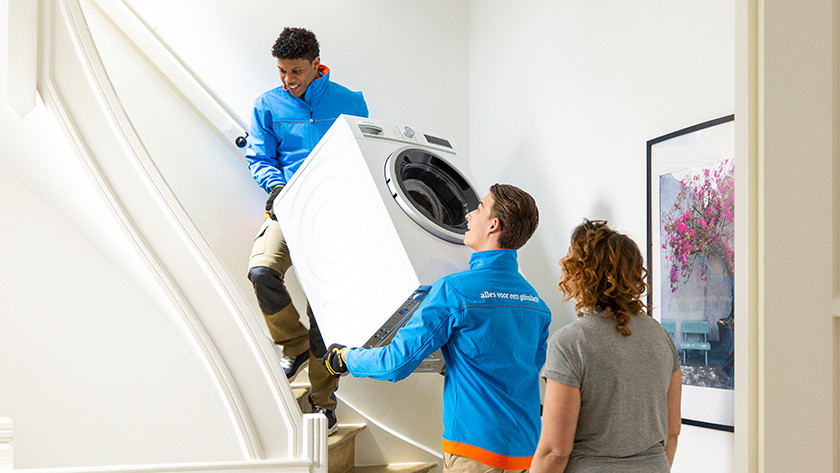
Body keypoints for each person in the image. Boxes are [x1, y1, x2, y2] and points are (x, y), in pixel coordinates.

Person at [322, 184, 552, 473]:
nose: (469, 215)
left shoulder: (454, 291)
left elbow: (395, 364)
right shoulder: (536, 303)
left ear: (494, 225)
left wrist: (345, 359)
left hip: (476, 454)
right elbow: (520, 368)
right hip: (526, 453)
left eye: (479, 209)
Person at [245, 26, 368, 435]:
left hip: (334, 216)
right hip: (287, 209)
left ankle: (322, 403)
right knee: (262, 271)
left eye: (296, 70)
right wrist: (278, 188)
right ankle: (292, 344)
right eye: (282, 72)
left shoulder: (350, 102)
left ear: (316, 64)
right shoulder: (267, 104)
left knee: (324, 316)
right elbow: (260, 157)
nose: (288, 80)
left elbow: (359, 156)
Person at [531, 219, 682, 472]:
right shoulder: (660, 335)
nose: (560, 262)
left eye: (569, 256)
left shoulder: (571, 342)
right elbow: (673, 433)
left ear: (586, 272)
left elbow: (555, 451)